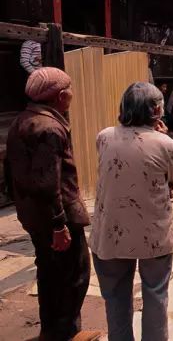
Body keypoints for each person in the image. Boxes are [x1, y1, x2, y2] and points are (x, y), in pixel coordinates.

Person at [5, 68, 99, 341]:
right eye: (69, 89)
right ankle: (66, 333)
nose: (71, 94)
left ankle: (50, 331)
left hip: (33, 212)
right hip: (58, 216)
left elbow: (10, 171)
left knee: (48, 270)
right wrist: (59, 224)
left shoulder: (21, 120)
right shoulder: (50, 128)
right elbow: (49, 183)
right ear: (60, 96)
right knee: (75, 273)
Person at [90, 82, 173, 341]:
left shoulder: (104, 136)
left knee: (116, 296)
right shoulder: (166, 144)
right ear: (155, 110)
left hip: (111, 231)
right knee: (155, 293)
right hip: (153, 234)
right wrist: (163, 136)